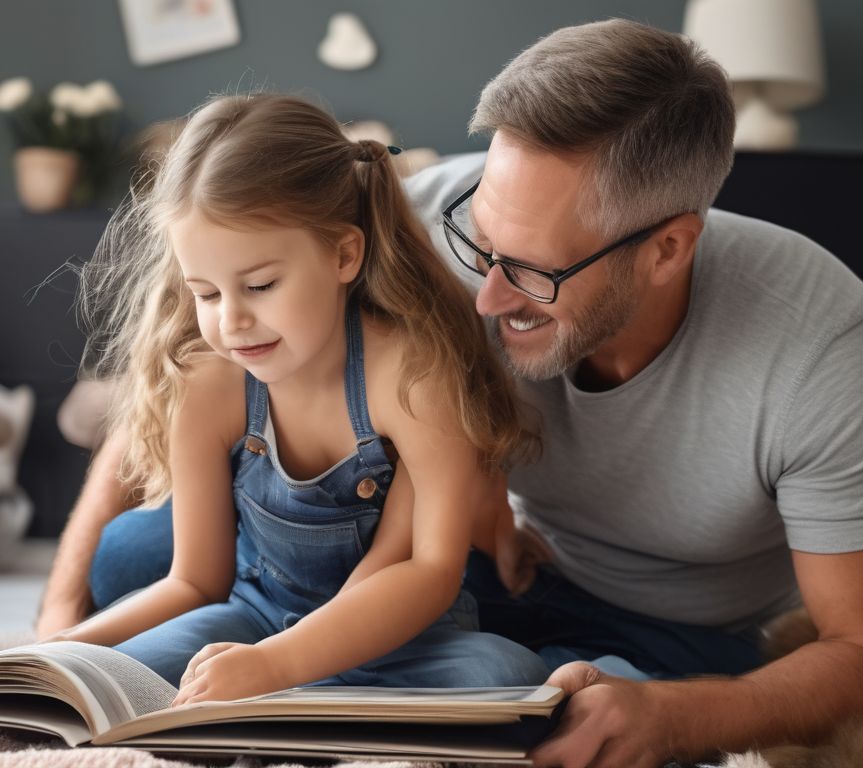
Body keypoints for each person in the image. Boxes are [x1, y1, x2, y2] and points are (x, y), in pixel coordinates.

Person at [40, 18, 863, 766]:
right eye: (481, 239)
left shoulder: (817, 345)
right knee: (130, 555)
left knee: (552, 710)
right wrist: (55, 618)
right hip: (461, 557)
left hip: (665, 626)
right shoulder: (419, 225)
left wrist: (677, 718)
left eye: (534, 271)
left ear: (667, 249)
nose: (484, 295)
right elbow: (196, 375)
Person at [42, 91, 549, 703]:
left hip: (396, 637)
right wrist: (61, 648)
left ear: (343, 254)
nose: (231, 322)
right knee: (105, 681)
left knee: (504, 677)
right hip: (251, 621)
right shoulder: (208, 383)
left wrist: (277, 666)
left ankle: (302, 695)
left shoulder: (412, 375)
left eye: (260, 285)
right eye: (206, 293)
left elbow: (430, 572)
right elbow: (195, 583)